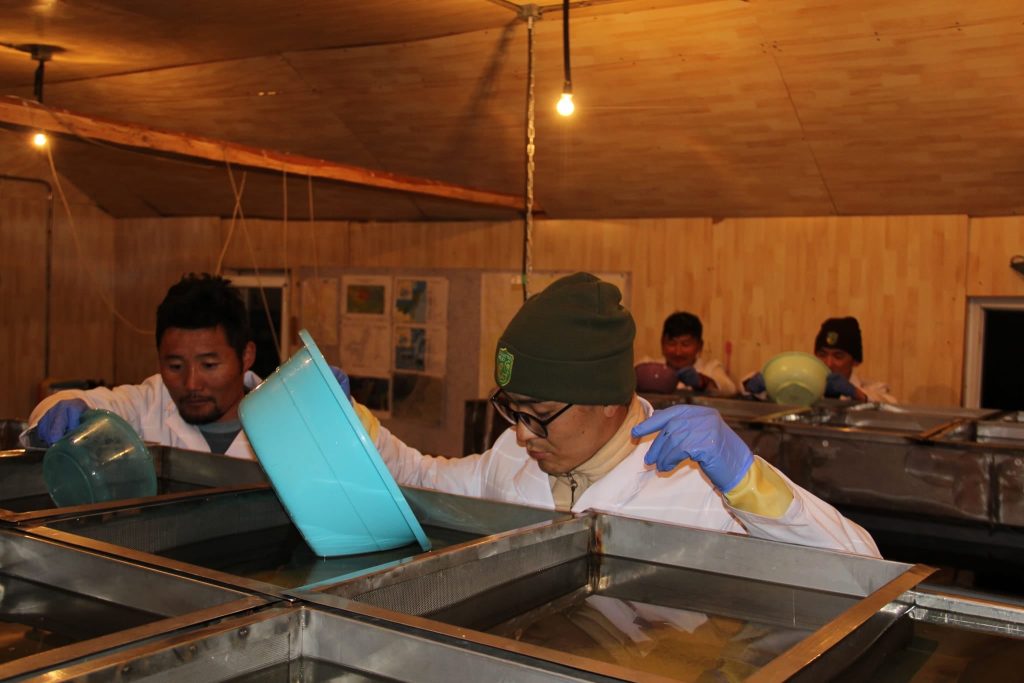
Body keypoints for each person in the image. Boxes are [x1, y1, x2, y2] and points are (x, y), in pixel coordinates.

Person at [345, 273, 879, 557]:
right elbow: (421, 479)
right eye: (513, 410)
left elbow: (862, 569)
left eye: (538, 414)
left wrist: (749, 484)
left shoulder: (696, 486)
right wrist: (350, 424)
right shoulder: (511, 457)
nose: (522, 434)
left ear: (606, 400)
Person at [22, 273, 261, 459]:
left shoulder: (278, 419)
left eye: (209, 365)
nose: (191, 384)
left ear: (246, 356)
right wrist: (67, 411)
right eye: (175, 366)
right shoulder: (150, 404)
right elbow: (70, 403)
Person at [742, 316, 897, 404]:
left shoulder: (872, 389)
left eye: (838, 356)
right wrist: (754, 385)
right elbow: (743, 387)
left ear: (855, 361)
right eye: (822, 354)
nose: (828, 364)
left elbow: (890, 404)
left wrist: (856, 393)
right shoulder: (804, 384)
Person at [650, 311, 737, 397]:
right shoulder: (650, 367)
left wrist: (702, 381)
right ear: (662, 343)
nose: (678, 352)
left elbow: (730, 389)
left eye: (686, 344)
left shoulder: (711, 368)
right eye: (672, 343)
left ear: (700, 346)